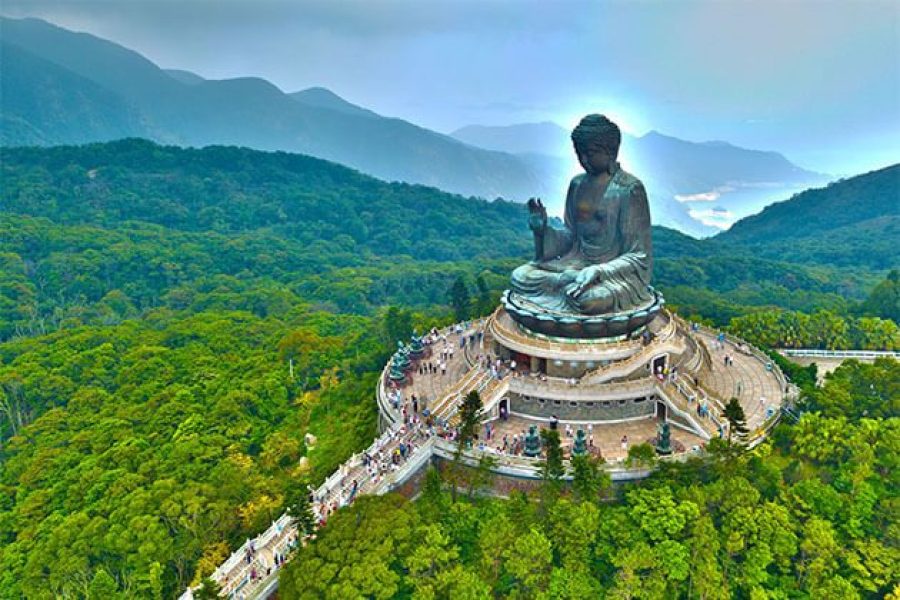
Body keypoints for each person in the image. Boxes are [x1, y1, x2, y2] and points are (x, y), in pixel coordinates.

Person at [509, 114, 653, 316]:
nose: (584, 159)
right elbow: (571, 237)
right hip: (573, 266)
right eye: (579, 153)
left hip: (610, 275)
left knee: (589, 301)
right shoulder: (577, 184)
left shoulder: (629, 189)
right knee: (520, 276)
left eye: (591, 153)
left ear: (610, 152)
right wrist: (542, 230)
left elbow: (639, 255)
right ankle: (567, 284)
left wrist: (599, 271)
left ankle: (569, 288)